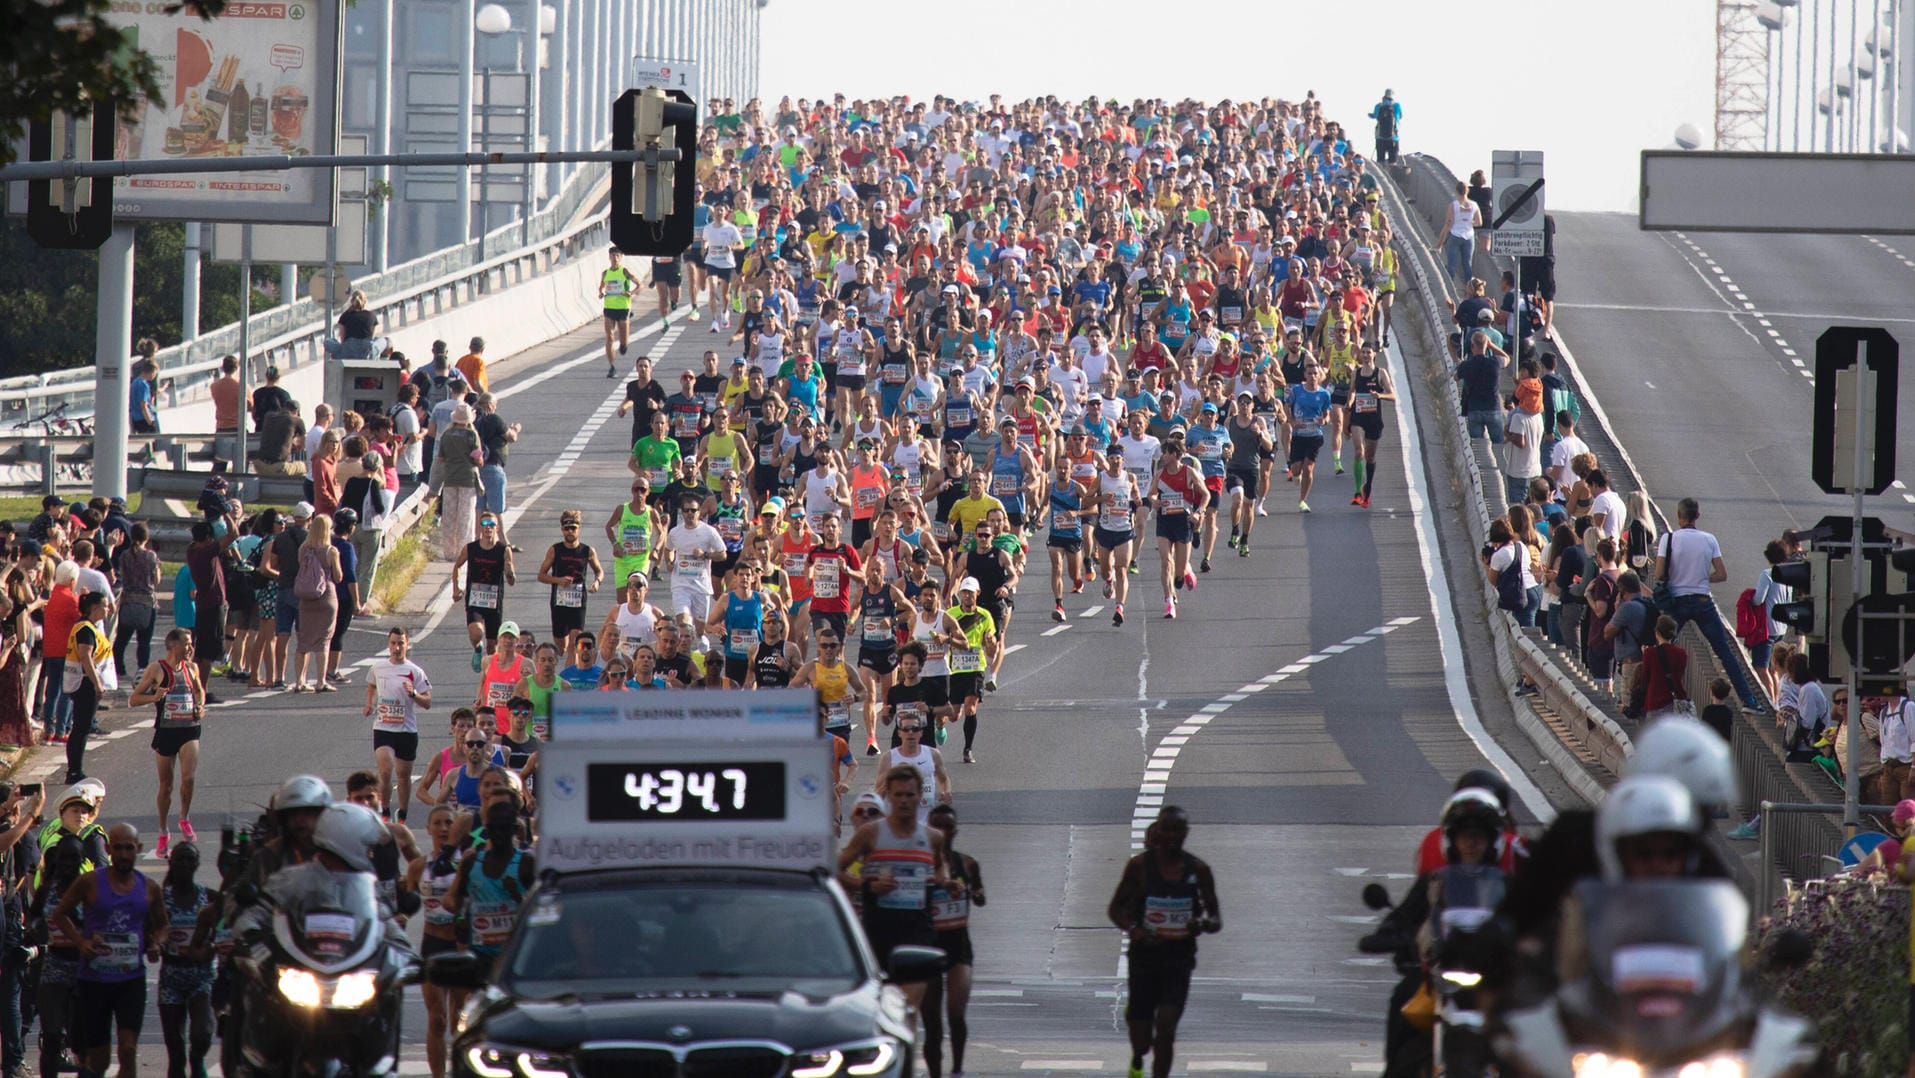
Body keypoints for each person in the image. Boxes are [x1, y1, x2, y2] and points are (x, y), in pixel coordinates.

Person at [835, 765, 952, 1031]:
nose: (904, 801)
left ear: (919, 796)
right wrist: (866, 884)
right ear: (888, 796)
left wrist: (944, 882)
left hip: (917, 933)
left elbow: (939, 868)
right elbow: (835, 869)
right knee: (880, 1013)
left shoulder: (932, 837)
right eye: (898, 795)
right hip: (879, 932)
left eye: (910, 795)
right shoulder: (871, 833)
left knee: (907, 1010)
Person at [1107, 806, 1221, 1078]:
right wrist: (1133, 929)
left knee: (1166, 1030)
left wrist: (1202, 924)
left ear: (1186, 833)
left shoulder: (1200, 870)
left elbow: (1216, 918)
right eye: (1166, 829)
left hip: (1178, 959)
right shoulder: (1139, 868)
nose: (1171, 836)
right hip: (1145, 957)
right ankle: (1137, 1049)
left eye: (1177, 830)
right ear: (1158, 831)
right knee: (1143, 1042)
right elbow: (1115, 909)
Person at [51, 823, 166, 1078]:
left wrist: (157, 943)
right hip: (94, 980)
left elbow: (163, 925)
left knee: (128, 1048)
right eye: (118, 848)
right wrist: (81, 942)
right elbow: (60, 914)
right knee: (99, 1058)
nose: (124, 855)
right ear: (108, 849)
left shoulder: (149, 887)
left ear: (138, 849)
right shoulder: (90, 882)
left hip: (131, 980)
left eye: (129, 848)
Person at [1655, 498, 1764, 710]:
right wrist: (1703, 578)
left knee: (1663, 648)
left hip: (1676, 602)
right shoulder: (1709, 539)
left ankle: (1657, 694)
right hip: (1703, 601)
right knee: (1724, 651)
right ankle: (1749, 700)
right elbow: (1722, 574)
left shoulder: (1668, 539)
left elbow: (1659, 573)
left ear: (1679, 516)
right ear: (1697, 516)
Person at [127, 628, 204, 858]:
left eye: (191, 643)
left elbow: (200, 691)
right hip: (166, 732)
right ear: (173, 646)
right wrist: (154, 697)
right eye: (186, 643)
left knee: (188, 778)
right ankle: (163, 831)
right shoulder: (156, 669)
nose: (190, 647)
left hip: (189, 729)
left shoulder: (192, 668)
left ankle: (184, 817)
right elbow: (133, 699)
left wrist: (200, 707)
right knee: (166, 785)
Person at [922, 801, 983, 1078]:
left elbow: (981, 897)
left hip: (959, 946)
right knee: (932, 1020)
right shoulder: (920, 865)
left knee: (956, 1013)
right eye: (937, 826)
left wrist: (973, 892)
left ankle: (957, 1069)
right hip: (928, 947)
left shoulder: (968, 863)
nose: (943, 832)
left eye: (948, 827)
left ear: (956, 830)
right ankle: (935, 1072)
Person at [155, 839, 216, 1078]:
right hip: (171, 977)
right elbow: (149, 929)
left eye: (190, 859)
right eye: (180, 858)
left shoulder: (209, 898)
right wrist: (154, 943)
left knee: (202, 1034)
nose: (185, 864)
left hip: (201, 975)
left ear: (197, 863)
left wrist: (209, 948)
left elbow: (224, 930)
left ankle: (198, 1060)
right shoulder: (161, 899)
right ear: (171, 862)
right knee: (175, 1049)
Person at [365, 627, 433, 823]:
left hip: (407, 731)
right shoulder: (378, 668)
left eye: (400, 643)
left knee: (403, 776)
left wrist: (414, 694)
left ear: (407, 644)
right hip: (383, 728)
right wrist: (369, 703)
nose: (396, 648)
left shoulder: (415, 672)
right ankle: (385, 813)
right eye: (393, 643)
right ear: (388, 645)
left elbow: (428, 702)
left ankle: (402, 815)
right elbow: (371, 685)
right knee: (385, 771)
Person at [62, 590, 114, 784]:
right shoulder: (85, 629)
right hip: (85, 683)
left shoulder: (88, 626)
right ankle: (75, 770)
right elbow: (85, 656)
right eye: (105, 606)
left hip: (84, 682)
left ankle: (75, 769)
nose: (107, 609)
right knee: (81, 728)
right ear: (94, 608)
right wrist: (97, 684)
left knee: (81, 727)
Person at [453, 515, 516, 673]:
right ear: (480, 527)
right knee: (476, 632)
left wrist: (510, 573)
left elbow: (511, 580)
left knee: (492, 647)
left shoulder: (503, 550)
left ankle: (490, 676)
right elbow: (458, 566)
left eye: (491, 524)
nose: (488, 527)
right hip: (475, 599)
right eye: (484, 524)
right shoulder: (471, 548)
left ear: (497, 528)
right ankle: (477, 648)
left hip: (494, 601)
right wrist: (456, 587)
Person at [289, 513, 342, 693]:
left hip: (306, 597)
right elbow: (338, 576)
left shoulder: (303, 549)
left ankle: (299, 681)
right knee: (323, 640)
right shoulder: (331, 551)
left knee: (303, 639)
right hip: (325, 596)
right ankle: (321, 681)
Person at [538, 509, 604, 651]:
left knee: (575, 643)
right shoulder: (555, 550)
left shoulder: (587, 551)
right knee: (561, 645)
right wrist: (558, 580)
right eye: (566, 528)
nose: (570, 532)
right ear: (562, 530)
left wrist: (597, 582)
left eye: (573, 528)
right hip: (559, 602)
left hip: (578, 601)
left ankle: (573, 668)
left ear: (579, 529)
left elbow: (599, 571)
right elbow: (541, 575)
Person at [433, 404, 484, 561]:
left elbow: (441, 458)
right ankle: (464, 551)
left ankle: (449, 552)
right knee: (465, 517)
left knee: (449, 517)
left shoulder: (447, 435)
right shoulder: (471, 435)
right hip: (467, 479)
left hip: (450, 479)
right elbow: (478, 459)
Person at [599, 247, 639, 376]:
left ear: (621, 258)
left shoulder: (624, 271)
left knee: (623, 341)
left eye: (617, 256)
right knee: (609, 336)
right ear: (609, 257)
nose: (615, 258)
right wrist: (600, 292)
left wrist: (631, 293)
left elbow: (640, 284)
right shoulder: (605, 273)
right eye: (613, 256)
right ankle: (612, 367)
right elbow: (601, 286)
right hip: (609, 307)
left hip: (623, 308)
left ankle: (623, 345)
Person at [1369, 88, 1401, 163]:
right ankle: (1393, 173)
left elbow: (1374, 116)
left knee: (1380, 162)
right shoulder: (1396, 106)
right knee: (1393, 162)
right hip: (1394, 139)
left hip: (1380, 138)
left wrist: (1370, 115)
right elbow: (1400, 116)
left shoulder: (1378, 106)